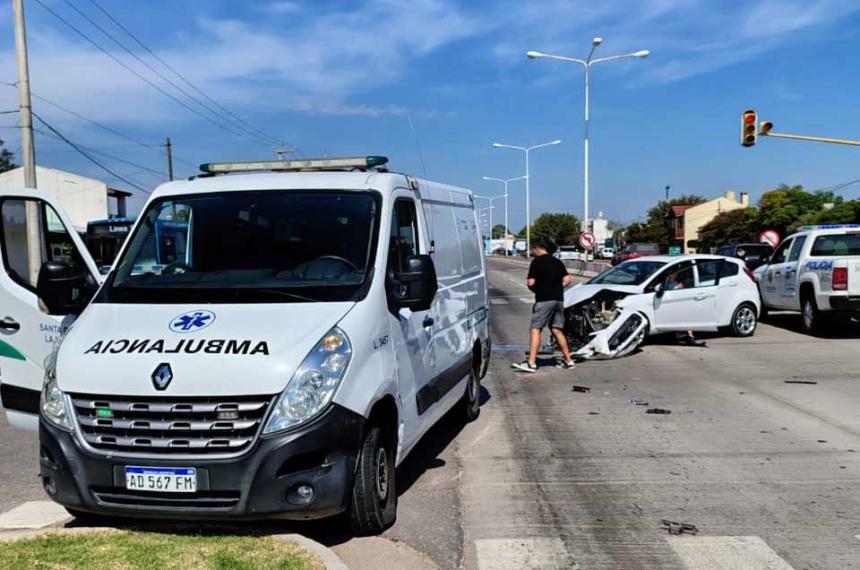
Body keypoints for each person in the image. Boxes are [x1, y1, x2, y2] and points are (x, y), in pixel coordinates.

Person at [512, 239, 576, 373]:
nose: (531, 251)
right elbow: (568, 279)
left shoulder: (537, 262)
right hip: (558, 299)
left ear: (538, 248)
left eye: (532, 248)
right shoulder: (557, 261)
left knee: (536, 329)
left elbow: (530, 283)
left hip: (544, 300)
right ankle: (569, 360)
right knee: (557, 329)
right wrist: (557, 288)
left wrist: (539, 290)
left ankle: (531, 362)